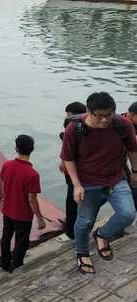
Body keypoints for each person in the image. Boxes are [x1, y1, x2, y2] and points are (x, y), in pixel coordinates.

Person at [61, 92, 137, 275]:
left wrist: (135, 172)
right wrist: (77, 185)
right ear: (88, 111)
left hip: (116, 178)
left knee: (128, 214)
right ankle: (82, 251)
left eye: (109, 114)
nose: (104, 120)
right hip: (88, 182)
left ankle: (102, 234)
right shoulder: (75, 129)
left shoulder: (122, 124)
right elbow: (68, 158)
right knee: (84, 221)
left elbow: (132, 149)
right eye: (99, 115)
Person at [0, 134, 46, 272]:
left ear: (16, 148)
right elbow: (32, 199)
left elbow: (3, 186)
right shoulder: (33, 174)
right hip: (23, 215)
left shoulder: (7, 165)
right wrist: (40, 218)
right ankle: (16, 267)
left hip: (7, 210)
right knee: (21, 242)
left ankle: (5, 263)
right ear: (32, 149)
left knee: (6, 236)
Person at [57, 101, 87, 242]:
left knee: (72, 201)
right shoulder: (86, 128)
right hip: (85, 172)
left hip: (73, 173)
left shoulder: (72, 128)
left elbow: (67, 150)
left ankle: (71, 233)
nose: (67, 118)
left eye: (69, 115)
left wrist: (63, 162)